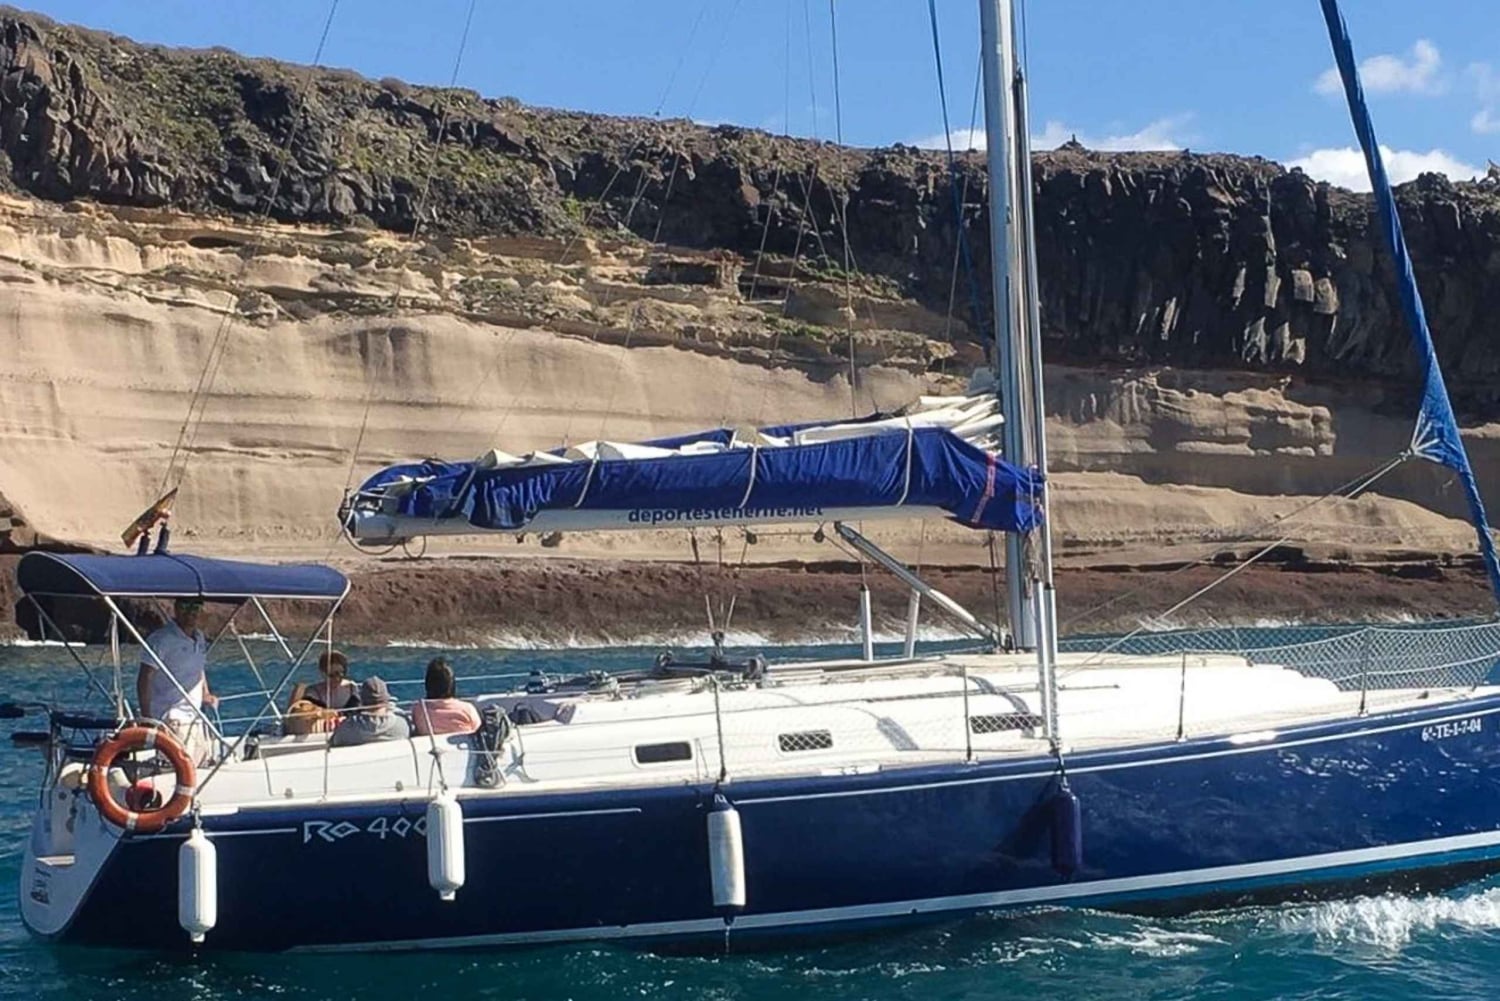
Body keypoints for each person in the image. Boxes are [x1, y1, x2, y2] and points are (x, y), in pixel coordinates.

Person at [136, 596, 218, 763]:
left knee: (202, 766)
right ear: (176, 608)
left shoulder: (199, 637)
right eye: (186, 606)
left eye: (196, 607)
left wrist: (206, 694)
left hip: (195, 717)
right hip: (173, 719)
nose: (191, 612)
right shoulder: (161, 639)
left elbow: (198, 667)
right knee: (178, 772)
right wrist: (146, 717)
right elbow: (145, 676)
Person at [329, 677, 410, 747]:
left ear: (362, 702)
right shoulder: (402, 725)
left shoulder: (347, 729)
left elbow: (333, 741)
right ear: (386, 700)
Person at [411, 658, 481, 737]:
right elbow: (479, 732)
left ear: (428, 684)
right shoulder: (467, 709)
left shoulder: (419, 709)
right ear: (452, 684)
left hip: (430, 747)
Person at [290, 650, 359, 713]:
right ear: (323, 674)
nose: (337, 679)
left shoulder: (352, 688)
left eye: (341, 674)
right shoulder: (314, 693)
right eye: (332, 675)